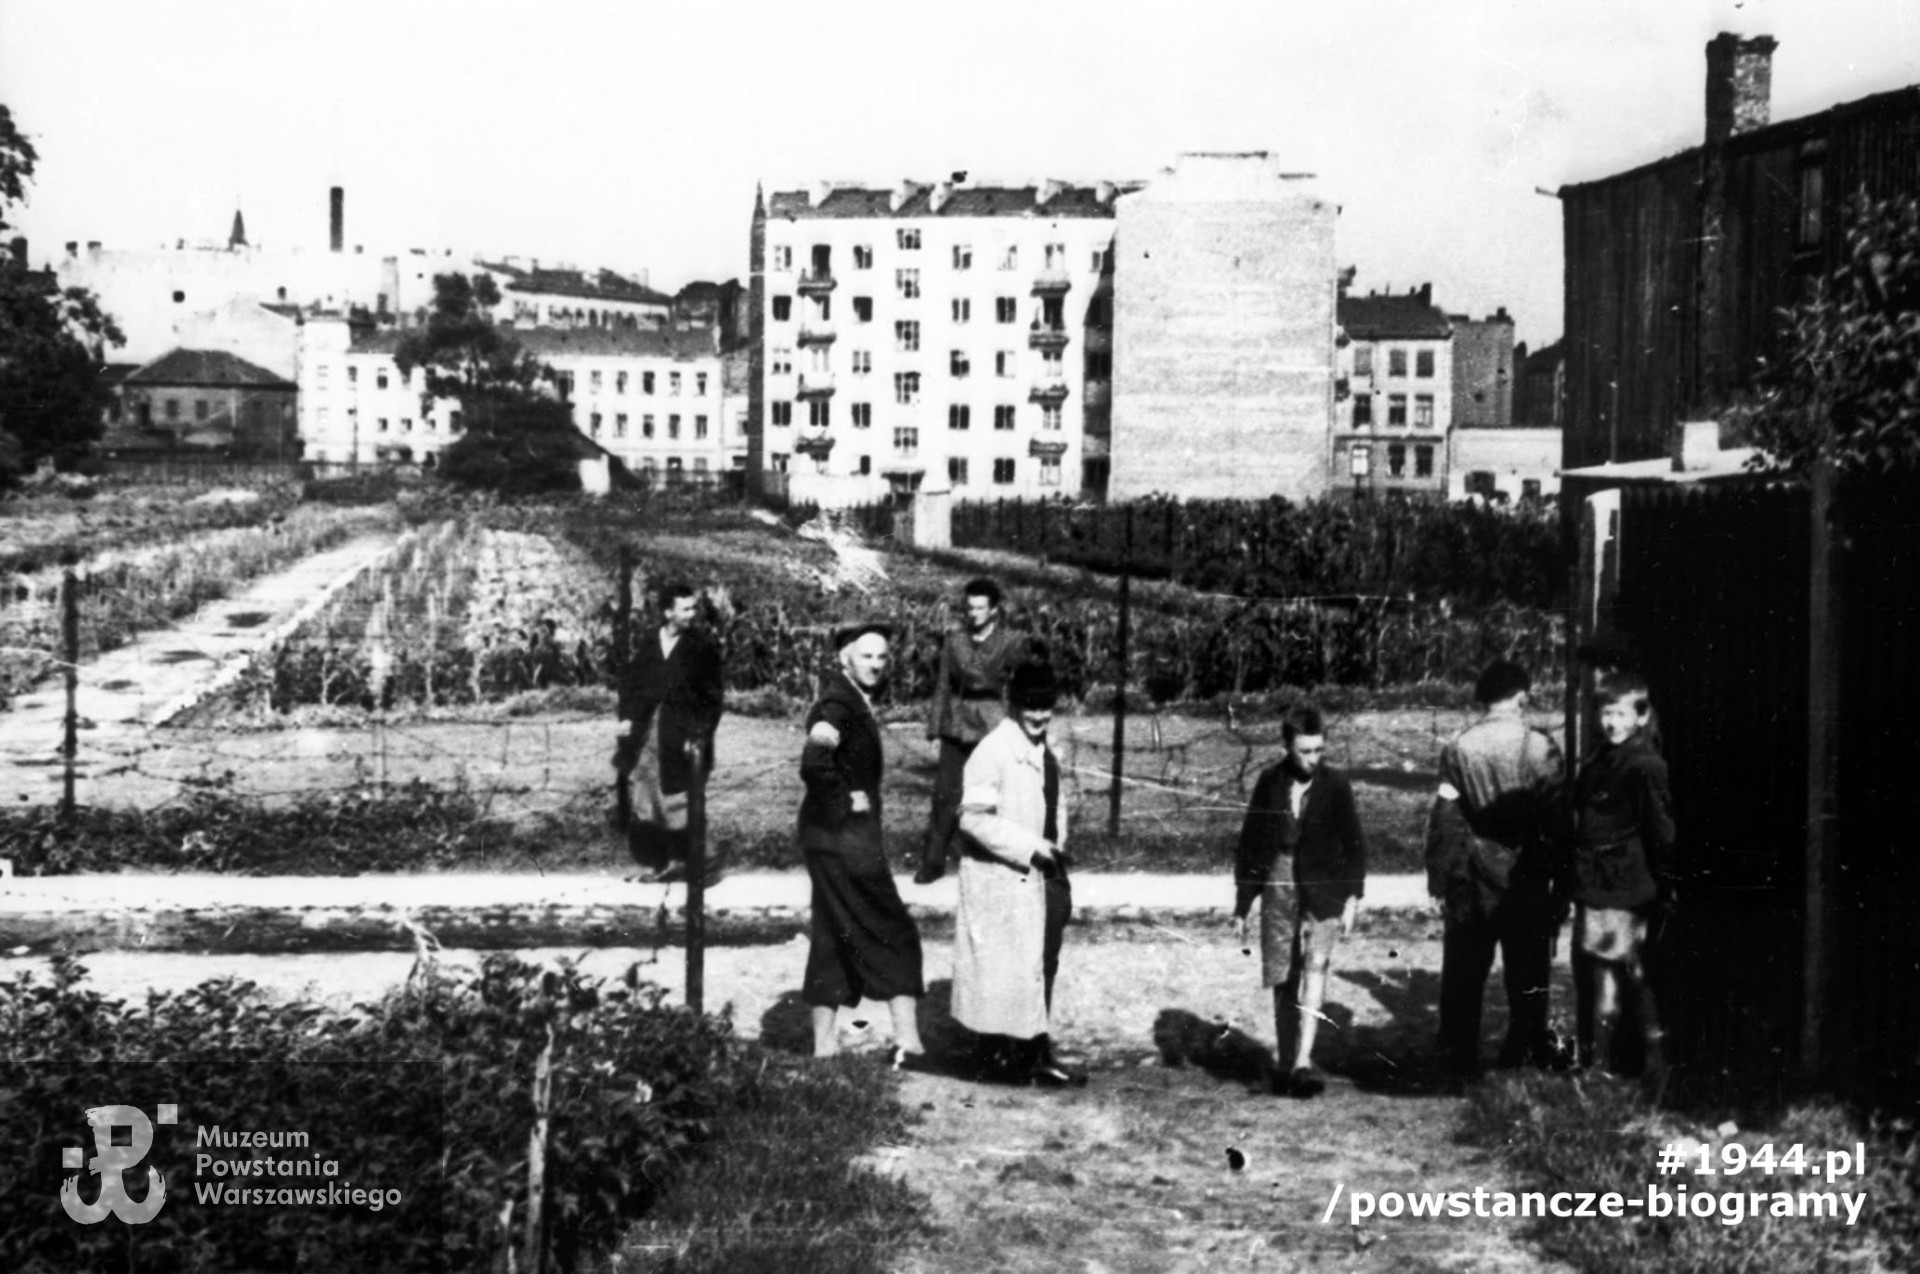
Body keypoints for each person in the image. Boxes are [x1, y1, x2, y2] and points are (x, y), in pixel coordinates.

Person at [1425, 660, 1566, 1079]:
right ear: (1521, 696)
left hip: (1471, 872)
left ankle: (1458, 1056)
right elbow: (1557, 821)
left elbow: (1446, 818)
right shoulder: (1541, 748)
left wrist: (1437, 877)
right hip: (1526, 870)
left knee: (1465, 970)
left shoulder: (1458, 748)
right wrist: (1562, 879)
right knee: (1528, 969)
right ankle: (1521, 1052)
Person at [797, 620, 928, 1066]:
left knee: (832, 935)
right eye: (866, 655)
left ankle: (824, 1049)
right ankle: (910, 1046)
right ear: (845, 658)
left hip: (828, 839)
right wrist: (843, 799)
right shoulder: (837, 703)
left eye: (882, 657)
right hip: (843, 840)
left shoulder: (853, 700)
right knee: (894, 930)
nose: (876, 664)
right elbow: (815, 758)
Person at [952, 657, 1085, 1087]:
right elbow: (972, 819)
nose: (1040, 714)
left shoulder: (1046, 751)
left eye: (1046, 705)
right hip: (1003, 875)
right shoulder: (992, 752)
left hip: (1047, 872)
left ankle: (1034, 1053)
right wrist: (1029, 848)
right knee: (998, 966)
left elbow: (1056, 801)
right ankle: (993, 1057)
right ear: (1013, 703)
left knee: (1041, 961)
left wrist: (1056, 843)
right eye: (1031, 705)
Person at [1233, 705, 1366, 1098]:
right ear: (1287, 747)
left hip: (1325, 884)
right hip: (1280, 878)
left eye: (1319, 750)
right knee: (1282, 971)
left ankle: (1305, 1060)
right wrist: (1243, 903)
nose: (1313, 759)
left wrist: (1353, 897)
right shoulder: (1270, 782)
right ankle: (1286, 1058)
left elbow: (1354, 841)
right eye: (1305, 751)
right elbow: (1252, 842)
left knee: (1316, 964)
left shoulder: (1336, 785)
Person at [1566, 671, 1676, 1077]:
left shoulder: (1644, 765)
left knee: (1621, 974)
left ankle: (1617, 1065)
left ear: (1641, 717)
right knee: (1621, 973)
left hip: (1620, 886)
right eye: (1606, 713)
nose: (1611, 722)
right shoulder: (1600, 761)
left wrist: (1666, 881)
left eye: (1620, 713)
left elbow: (1661, 830)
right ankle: (1624, 1063)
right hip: (1598, 883)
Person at [915, 577, 1028, 885]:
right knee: (945, 794)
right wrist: (934, 732)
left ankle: (1002, 859)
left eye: (980, 608)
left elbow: (1021, 687)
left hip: (992, 722)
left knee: (997, 796)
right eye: (969, 607)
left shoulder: (1010, 642)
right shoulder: (955, 640)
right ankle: (933, 861)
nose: (973, 613)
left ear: (993, 611)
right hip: (957, 723)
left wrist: (1022, 732)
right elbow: (942, 686)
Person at [614, 581, 725, 884]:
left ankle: (699, 862)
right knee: (645, 796)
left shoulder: (701, 648)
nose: (692, 614)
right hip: (647, 734)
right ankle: (655, 863)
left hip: (681, 737)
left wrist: (698, 736)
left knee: (678, 797)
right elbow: (631, 685)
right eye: (685, 608)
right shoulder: (650, 643)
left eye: (693, 608)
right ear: (667, 612)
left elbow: (712, 699)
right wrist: (626, 718)